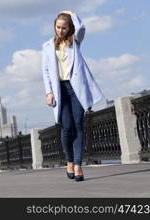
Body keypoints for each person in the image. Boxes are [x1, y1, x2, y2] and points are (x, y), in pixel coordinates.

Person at [42, 11, 105, 182]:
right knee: (66, 128)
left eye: (64, 28)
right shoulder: (47, 46)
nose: (60, 31)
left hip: (76, 89)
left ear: (69, 28)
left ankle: (78, 165)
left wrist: (72, 13)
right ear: (54, 27)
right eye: (58, 27)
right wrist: (49, 92)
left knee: (78, 125)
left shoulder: (75, 42)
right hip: (59, 90)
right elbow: (46, 72)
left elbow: (82, 27)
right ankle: (69, 161)